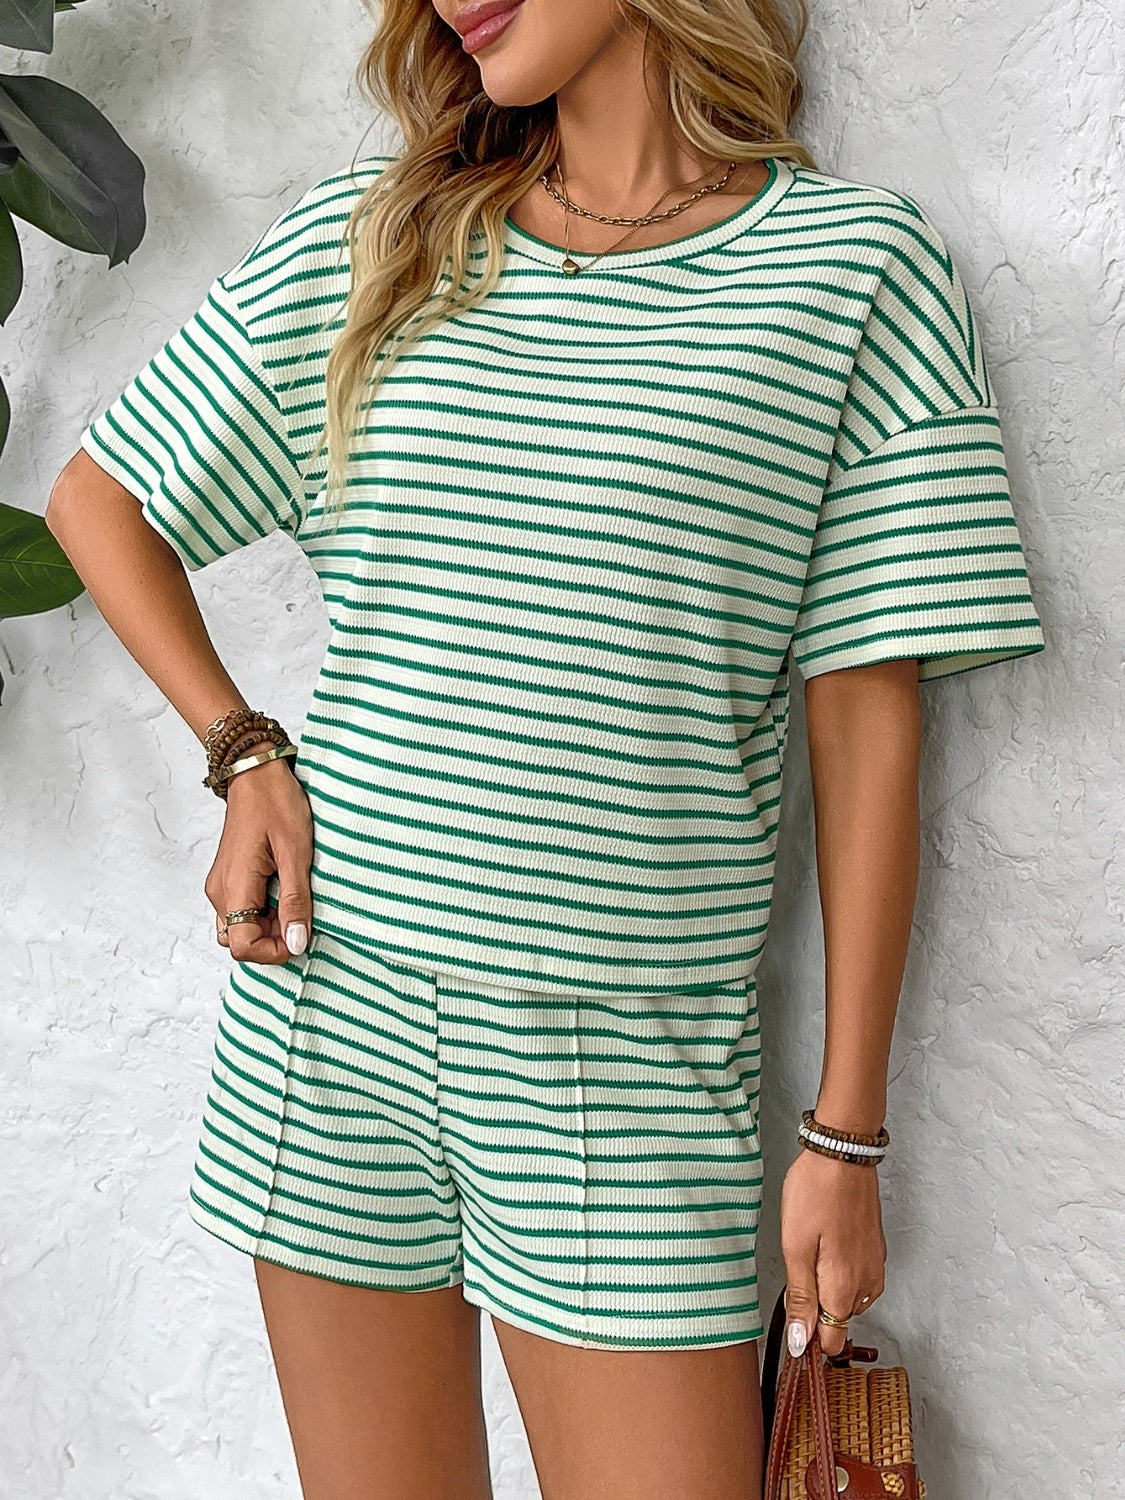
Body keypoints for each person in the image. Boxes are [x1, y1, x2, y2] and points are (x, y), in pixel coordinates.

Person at [46, 0, 1046, 1495]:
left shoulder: (851, 270)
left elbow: (866, 717)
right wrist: (242, 750)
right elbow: (98, 500)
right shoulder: (376, 238)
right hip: (332, 1015)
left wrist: (845, 1138)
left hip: (627, 1071)